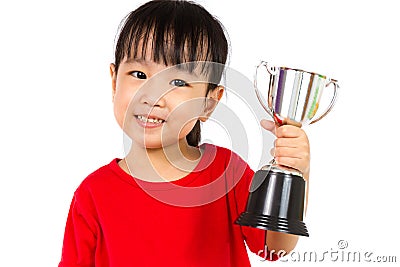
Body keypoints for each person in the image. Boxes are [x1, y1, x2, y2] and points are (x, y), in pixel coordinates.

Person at [58, 1, 311, 266]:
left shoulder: (227, 173)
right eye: (139, 73)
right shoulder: (93, 193)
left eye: (178, 82)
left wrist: (295, 172)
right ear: (114, 81)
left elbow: (274, 247)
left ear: (209, 103)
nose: (153, 95)